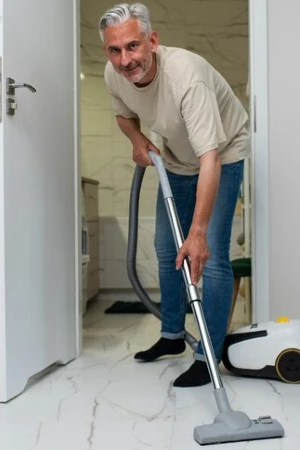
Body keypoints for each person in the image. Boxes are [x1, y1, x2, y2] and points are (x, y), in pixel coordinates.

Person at [99, 3, 250, 387]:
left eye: (132, 47)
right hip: (178, 159)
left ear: (152, 41)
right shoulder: (114, 74)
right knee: (168, 248)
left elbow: (210, 157)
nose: (125, 59)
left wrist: (197, 231)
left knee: (209, 253)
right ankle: (171, 337)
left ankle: (208, 354)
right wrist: (136, 139)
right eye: (114, 50)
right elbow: (123, 113)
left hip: (223, 153)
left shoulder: (187, 77)